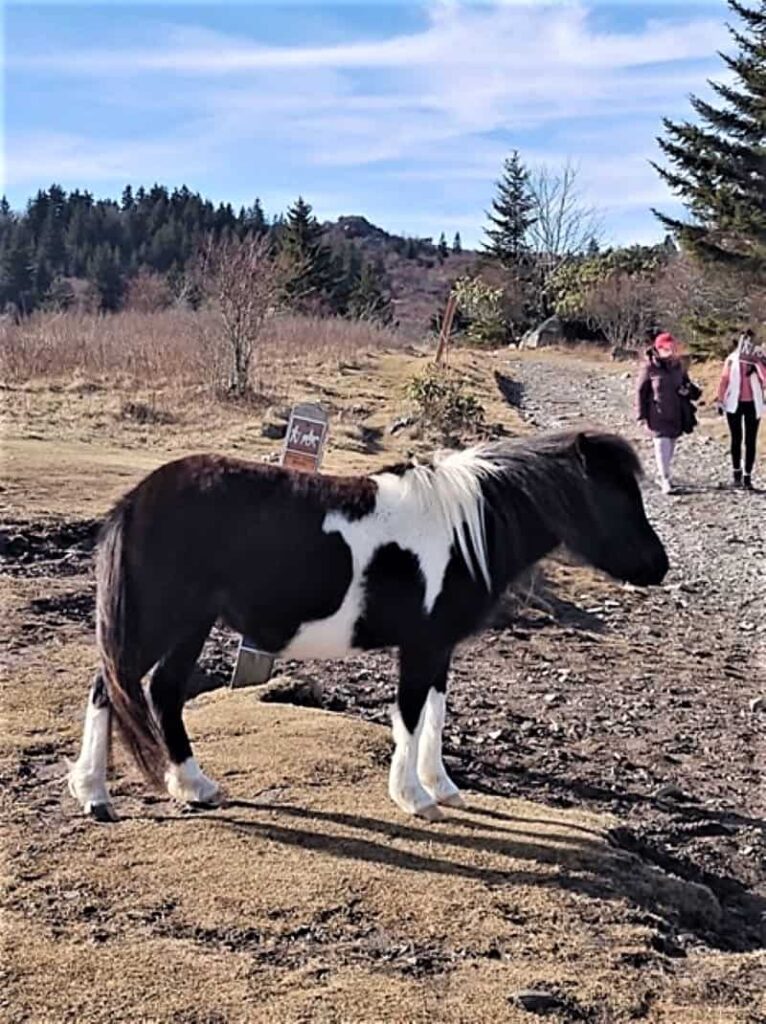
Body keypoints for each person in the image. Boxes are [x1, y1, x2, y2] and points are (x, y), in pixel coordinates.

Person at [635, 332, 697, 494]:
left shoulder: (678, 366)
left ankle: (664, 473)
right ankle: (665, 479)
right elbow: (640, 391)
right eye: (668, 348)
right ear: (658, 348)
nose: (672, 351)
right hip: (657, 414)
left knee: (670, 447)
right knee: (661, 445)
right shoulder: (649, 367)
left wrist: (686, 391)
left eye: (673, 348)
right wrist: (640, 414)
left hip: (676, 413)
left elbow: (688, 385)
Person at [717, 330, 765, 489]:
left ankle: (747, 477)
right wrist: (720, 399)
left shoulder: (759, 360)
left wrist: (758, 364)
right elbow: (724, 380)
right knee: (736, 439)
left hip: (753, 403)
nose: (747, 344)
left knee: (750, 440)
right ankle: (736, 474)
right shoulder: (731, 360)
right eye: (745, 341)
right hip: (734, 404)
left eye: (750, 341)